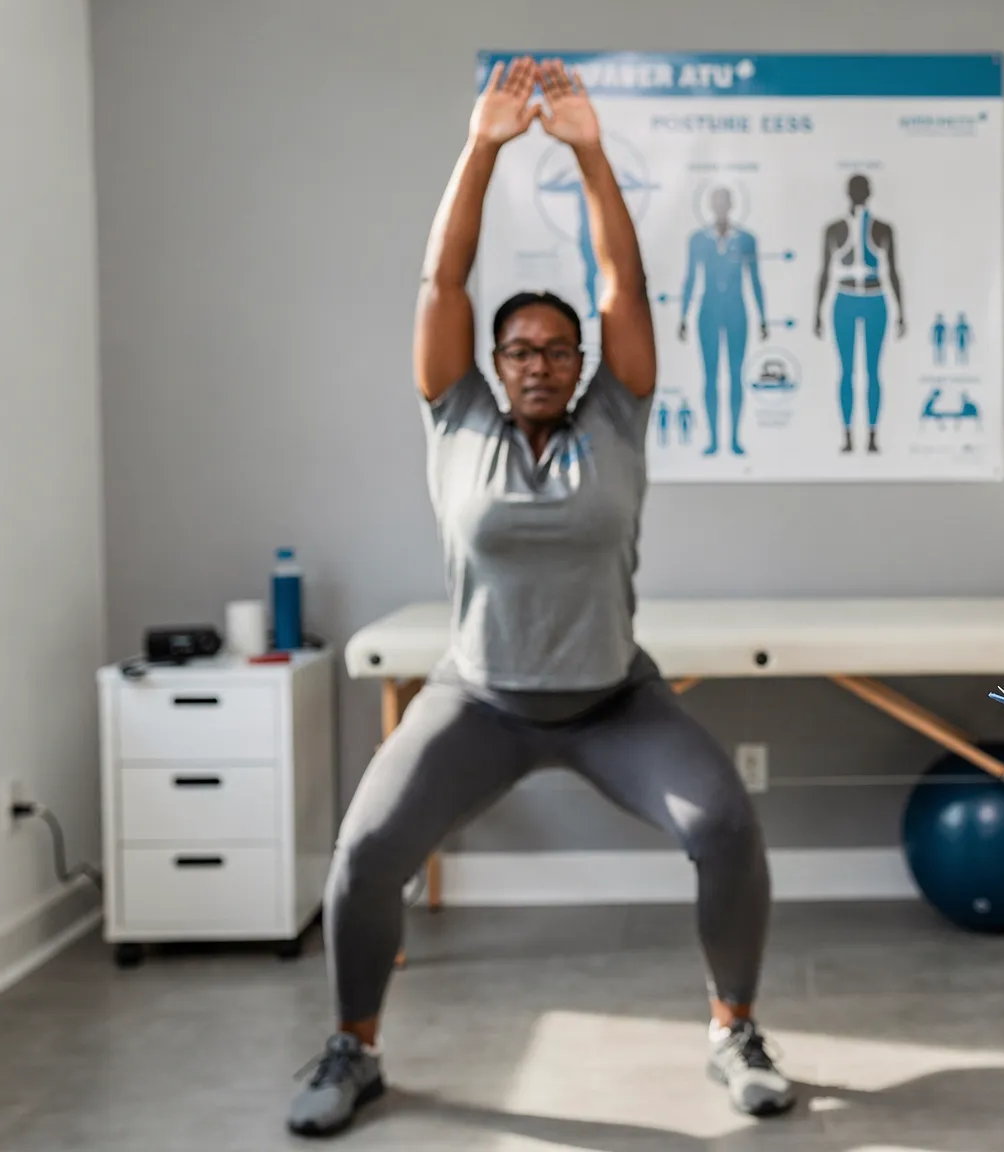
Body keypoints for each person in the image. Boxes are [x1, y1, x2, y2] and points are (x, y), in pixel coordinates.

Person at [286, 57, 793, 1138]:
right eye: (519, 348)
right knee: (367, 854)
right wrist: (483, 147)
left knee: (725, 828)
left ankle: (734, 1030)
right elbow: (441, 286)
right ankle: (353, 1045)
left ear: (580, 362)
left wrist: (588, 154)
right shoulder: (454, 417)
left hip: (614, 702)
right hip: (478, 700)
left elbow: (627, 291)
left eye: (559, 349)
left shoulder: (616, 417)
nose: (539, 363)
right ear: (492, 359)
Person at [813, 174, 906, 454]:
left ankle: (873, 435)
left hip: (875, 299)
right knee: (847, 371)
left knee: (873, 371)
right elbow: (825, 271)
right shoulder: (833, 229)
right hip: (844, 300)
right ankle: (848, 435)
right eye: (856, 190)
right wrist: (817, 310)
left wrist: (901, 310)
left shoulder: (883, 229)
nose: (859, 194)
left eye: (862, 190)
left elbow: (892, 271)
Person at [678, 186, 768, 456]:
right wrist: (683, 315)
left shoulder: (746, 239)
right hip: (708, 311)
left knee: (736, 375)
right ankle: (714, 439)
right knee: (710, 376)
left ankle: (735, 439)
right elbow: (690, 278)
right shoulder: (697, 239)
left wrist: (763, 317)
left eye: (723, 202)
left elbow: (755, 279)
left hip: (737, 311)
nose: (719, 207)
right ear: (709, 205)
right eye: (715, 202)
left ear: (731, 205)